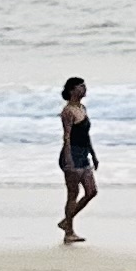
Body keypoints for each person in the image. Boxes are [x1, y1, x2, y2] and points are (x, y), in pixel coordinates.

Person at [55, 77, 99, 242]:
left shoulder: (82, 108)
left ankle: (66, 221)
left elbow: (86, 135)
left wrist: (93, 155)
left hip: (83, 154)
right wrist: (68, 159)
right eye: (81, 86)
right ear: (72, 90)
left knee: (91, 191)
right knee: (73, 194)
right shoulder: (68, 111)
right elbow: (66, 137)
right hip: (71, 154)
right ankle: (69, 232)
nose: (85, 89)